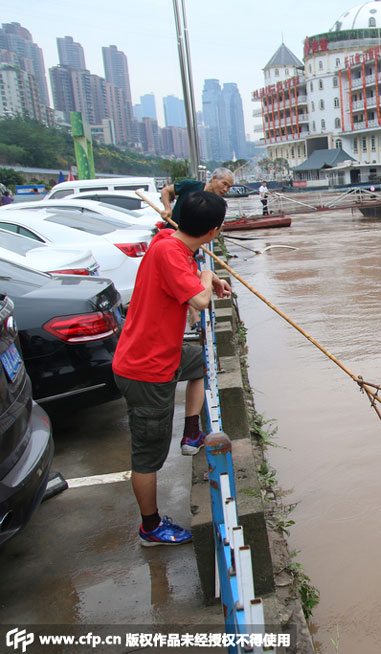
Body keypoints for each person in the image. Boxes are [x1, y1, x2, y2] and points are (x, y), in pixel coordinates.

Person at [112, 191, 232, 546]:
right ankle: (150, 527)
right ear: (213, 232)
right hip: (146, 370)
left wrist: (204, 273)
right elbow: (199, 299)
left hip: (163, 353)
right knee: (148, 456)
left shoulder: (169, 240)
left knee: (200, 363)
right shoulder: (169, 251)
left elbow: (188, 272)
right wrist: (209, 276)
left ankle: (191, 431)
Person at [160, 168, 234, 225]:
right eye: (224, 184)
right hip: (172, 232)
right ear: (214, 178)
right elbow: (165, 191)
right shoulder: (190, 185)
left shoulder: (217, 205)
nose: (225, 189)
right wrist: (168, 209)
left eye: (229, 187)